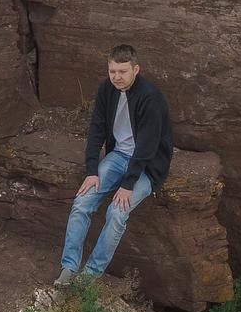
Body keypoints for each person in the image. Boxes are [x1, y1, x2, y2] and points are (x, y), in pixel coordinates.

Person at [55, 44, 173, 287]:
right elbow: (96, 129)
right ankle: (68, 269)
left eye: (122, 71)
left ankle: (90, 276)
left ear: (135, 69)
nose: (117, 77)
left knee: (117, 212)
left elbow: (147, 147)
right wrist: (91, 171)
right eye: (112, 71)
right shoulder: (106, 90)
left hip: (147, 166)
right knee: (82, 202)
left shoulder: (149, 97)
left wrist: (128, 184)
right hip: (118, 155)